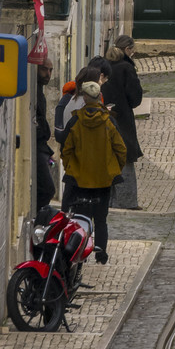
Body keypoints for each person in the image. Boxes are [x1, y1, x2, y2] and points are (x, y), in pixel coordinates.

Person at [59, 73, 127, 264]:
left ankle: (78, 249)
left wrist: (71, 167)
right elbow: (121, 149)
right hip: (103, 178)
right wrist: (113, 168)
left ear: (84, 99)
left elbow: (66, 149)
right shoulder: (109, 122)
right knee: (101, 218)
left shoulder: (75, 121)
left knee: (79, 215)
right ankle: (101, 252)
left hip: (79, 177)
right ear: (99, 98)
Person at [104, 33, 145, 166]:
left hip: (104, 115)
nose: (133, 53)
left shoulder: (104, 65)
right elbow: (135, 98)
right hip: (122, 117)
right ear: (127, 49)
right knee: (124, 157)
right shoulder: (126, 68)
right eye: (132, 50)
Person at [33, 74, 58, 216]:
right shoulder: (35, 92)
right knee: (48, 188)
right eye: (44, 69)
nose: (48, 74)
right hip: (38, 146)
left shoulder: (39, 92)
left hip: (41, 146)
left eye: (50, 70)